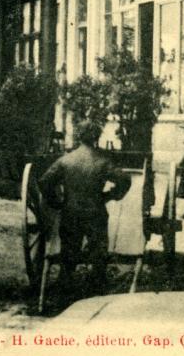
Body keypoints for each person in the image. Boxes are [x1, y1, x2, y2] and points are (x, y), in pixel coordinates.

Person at [39, 119, 131, 297]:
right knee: (98, 253)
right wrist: (110, 196)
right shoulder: (103, 161)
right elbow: (125, 180)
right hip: (95, 213)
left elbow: (45, 182)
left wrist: (57, 202)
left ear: (79, 136)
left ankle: (64, 291)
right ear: (96, 137)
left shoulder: (66, 160)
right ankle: (96, 291)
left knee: (68, 251)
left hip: (70, 212)